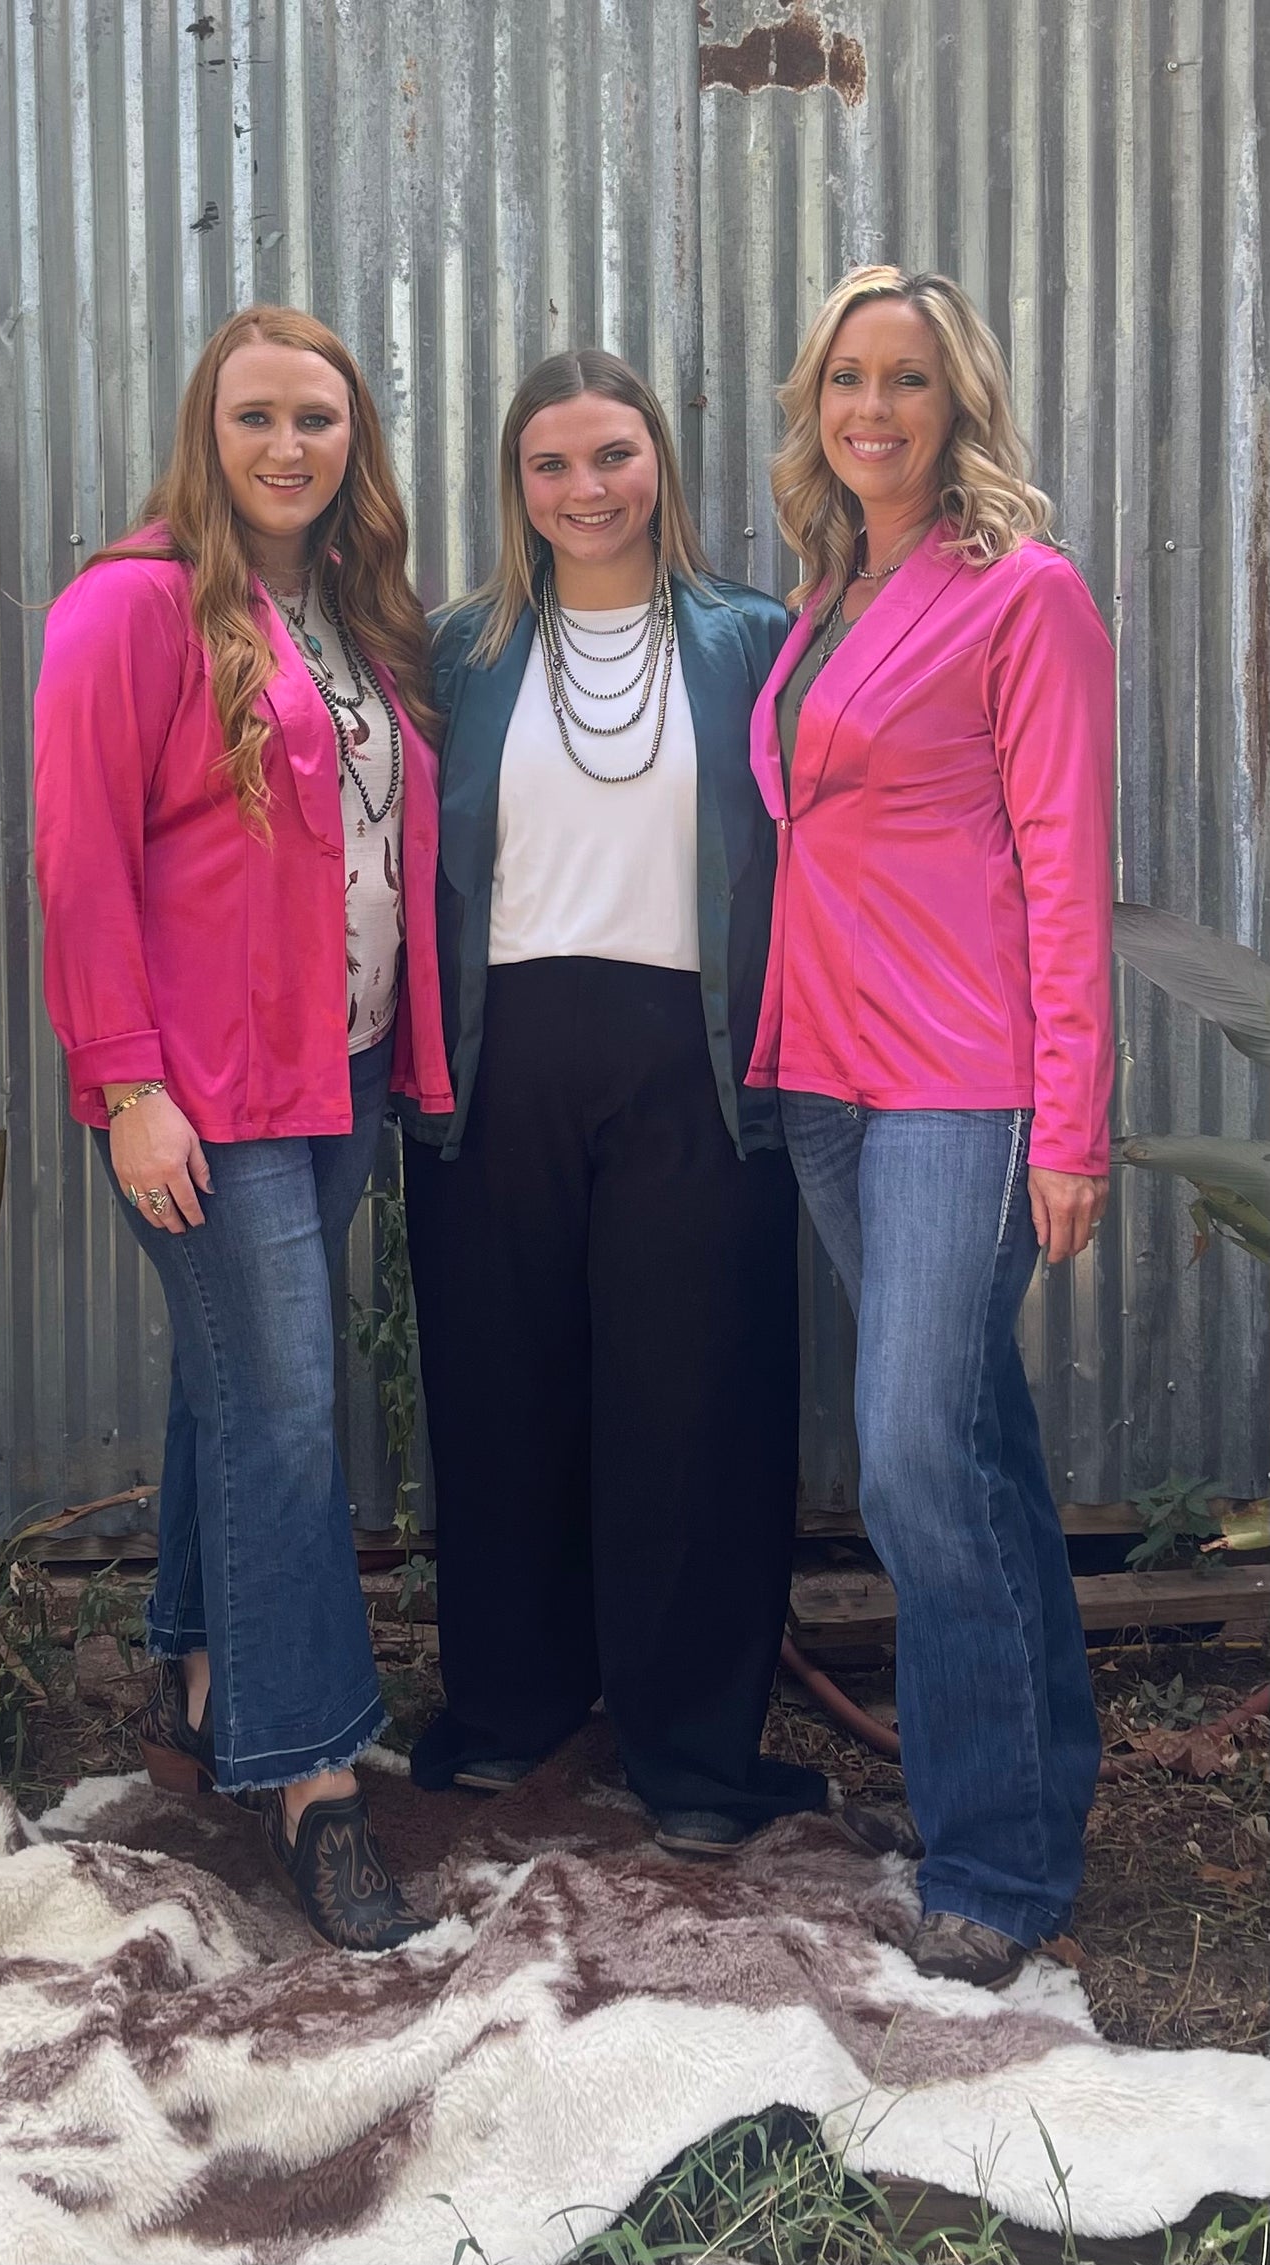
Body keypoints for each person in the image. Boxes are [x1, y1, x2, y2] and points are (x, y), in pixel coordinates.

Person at [33, 305, 453, 1951]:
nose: (290, 447)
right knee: (286, 1406)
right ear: (207, 431)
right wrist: (128, 1086)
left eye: (320, 421)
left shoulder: (352, 616)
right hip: (195, 1089)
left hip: (332, 1069)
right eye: (259, 417)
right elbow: (78, 862)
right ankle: (312, 1779)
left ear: (355, 445)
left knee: (240, 1383)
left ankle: (206, 1674)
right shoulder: (128, 607)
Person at [400, 349, 828, 1852]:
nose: (586, 491)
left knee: (692, 1399)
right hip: (499, 1049)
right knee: (502, 1384)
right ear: (514, 485)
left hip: (693, 1055)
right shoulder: (455, 649)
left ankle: (693, 1750)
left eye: (613, 455)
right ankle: (511, 1710)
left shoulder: (751, 640)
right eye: (552, 464)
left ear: (660, 461)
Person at [751, 266, 1113, 1988]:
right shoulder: (826, 593)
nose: (869, 409)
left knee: (906, 1449)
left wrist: (1070, 1124)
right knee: (971, 1441)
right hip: (822, 1072)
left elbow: (1064, 865)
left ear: (954, 400)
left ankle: (990, 1864)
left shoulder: (1022, 595)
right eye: (843, 379)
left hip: (962, 1081)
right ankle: (1033, 1796)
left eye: (902, 378)